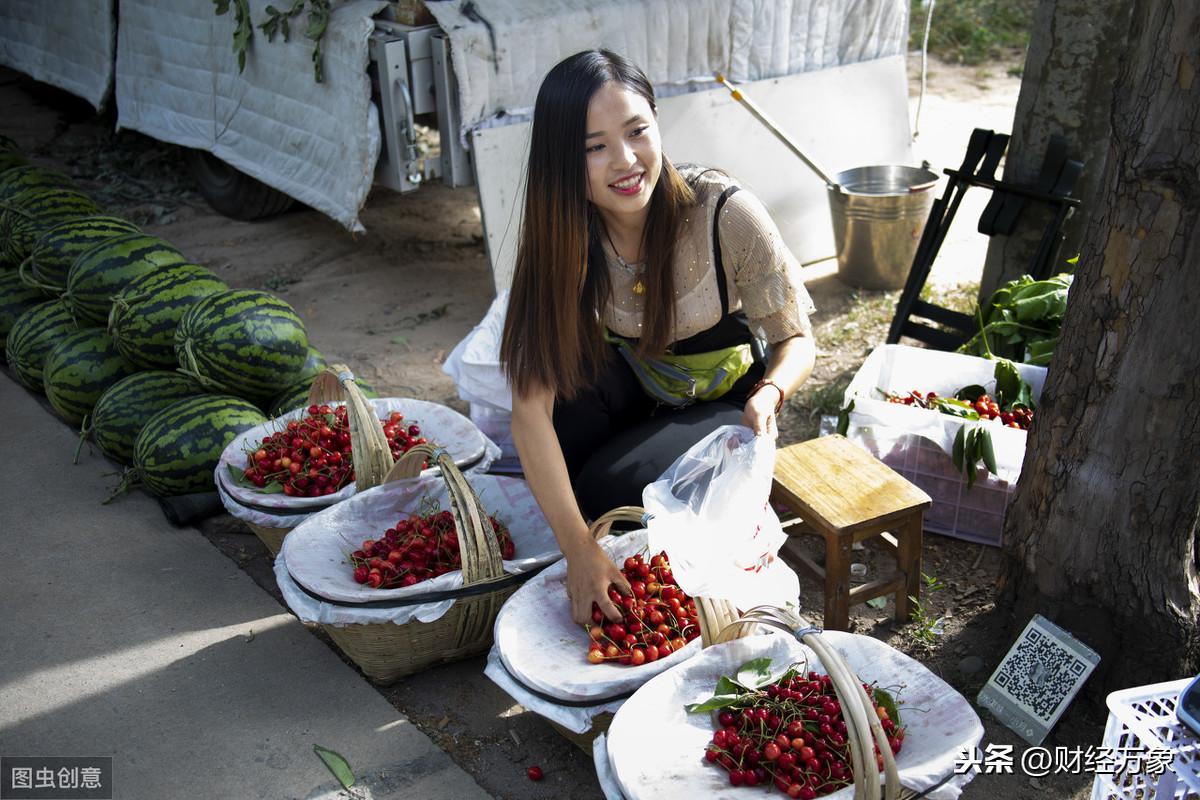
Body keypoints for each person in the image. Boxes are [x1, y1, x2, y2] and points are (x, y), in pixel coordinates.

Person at [500, 50, 816, 626]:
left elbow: (796, 339)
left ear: (657, 123)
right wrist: (576, 549)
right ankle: (591, 538)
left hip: (724, 408)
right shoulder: (565, 236)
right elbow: (528, 409)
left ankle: (610, 523)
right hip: (639, 389)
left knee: (604, 495)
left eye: (636, 131)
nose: (624, 161)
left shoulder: (723, 215)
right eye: (593, 147)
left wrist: (768, 395)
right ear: (562, 162)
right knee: (555, 431)